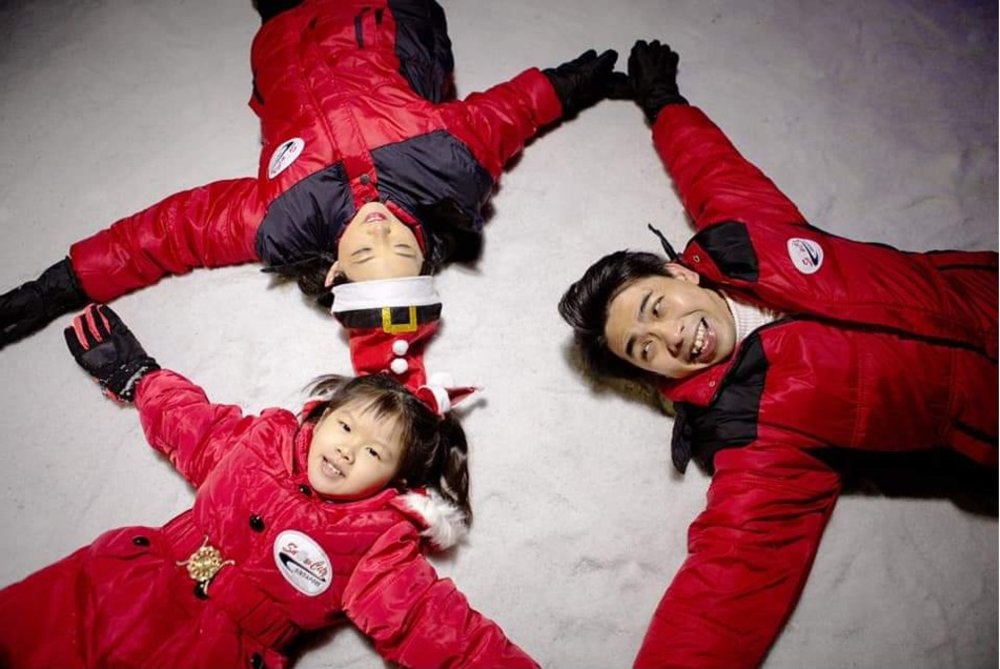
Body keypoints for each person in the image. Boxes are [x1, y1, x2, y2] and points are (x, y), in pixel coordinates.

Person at [558, 40, 998, 669]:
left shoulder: (745, 238)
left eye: (657, 310)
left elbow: (712, 171)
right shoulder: (749, 426)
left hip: (978, 286)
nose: (673, 337)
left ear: (680, 274)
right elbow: (731, 577)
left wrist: (664, 103)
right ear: (649, 376)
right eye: (645, 349)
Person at [0, 0, 626, 349]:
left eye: (364, 249)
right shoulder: (450, 165)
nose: (379, 230)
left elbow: (167, 232)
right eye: (401, 244)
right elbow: (509, 112)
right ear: (425, 249)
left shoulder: (280, 218)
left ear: (332, 270)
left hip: (283, 29)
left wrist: (59, 286)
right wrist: (572, 82)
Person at [0, 303, 537, 669]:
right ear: (318, 417)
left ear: (396, 480)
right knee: (28, 629)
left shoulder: (377, 541)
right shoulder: (261, 442)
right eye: (345, 427)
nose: (349, 449)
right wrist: (141, 377)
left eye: (373, 452)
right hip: (131, 580)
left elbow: (439, 628)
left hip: (218, 650)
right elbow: (194, 423)